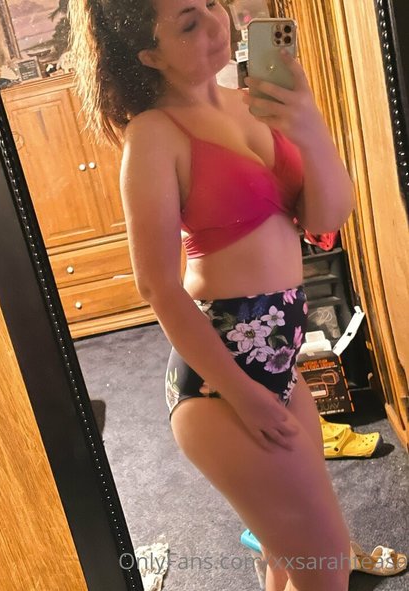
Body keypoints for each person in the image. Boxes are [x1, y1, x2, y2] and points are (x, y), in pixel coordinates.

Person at [69, 1, 356, 589]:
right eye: (187, 23)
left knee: (290, 556)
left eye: (210, 5)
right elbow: (156, 286)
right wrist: (244, 395)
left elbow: (325, 220)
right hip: (220, 381)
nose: (214, 23)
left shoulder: (254, 104)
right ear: (150, 55)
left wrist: (309, 126)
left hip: (280, 360)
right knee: (328, 562)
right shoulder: (154, 135)